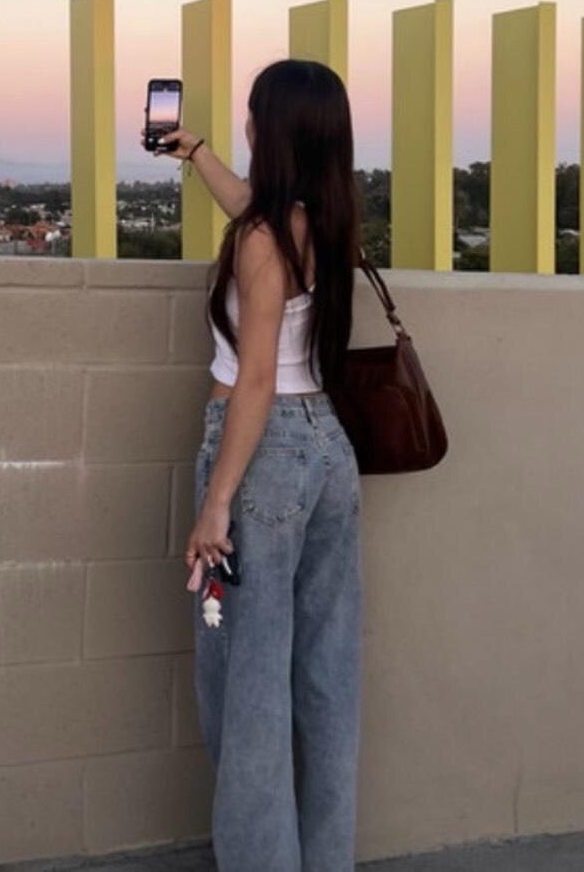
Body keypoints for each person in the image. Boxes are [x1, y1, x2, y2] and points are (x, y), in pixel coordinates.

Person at [145, 58, 364, 872]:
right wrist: (196, 152)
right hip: (327, 453)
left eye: (251, 114)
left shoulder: (265, 240)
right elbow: (253, 212)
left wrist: (216, 503)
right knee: (326, 676)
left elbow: (257, 379)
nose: (245, 124)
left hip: (264, 461)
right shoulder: (320, 220)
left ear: (272, 129)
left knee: (249, 683)